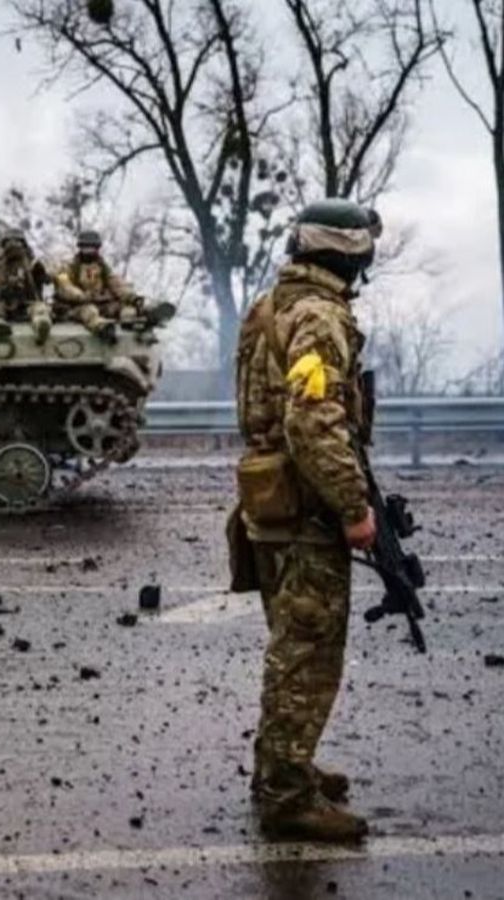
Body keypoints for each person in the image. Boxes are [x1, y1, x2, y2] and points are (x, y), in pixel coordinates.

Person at [231, 198, 382, 843]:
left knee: (292, 642)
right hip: (306, 509)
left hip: (271, 501)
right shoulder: (320, 317)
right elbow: (313, 420)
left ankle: (286, 766)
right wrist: (353, 507)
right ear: (349, 254)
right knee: (308, 652)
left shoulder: (271, 305)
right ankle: (287, 797)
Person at [52, 230, 145, 341]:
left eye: (92, 248)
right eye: (86, 248)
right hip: (77, 306)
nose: (89, 252)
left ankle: (130, 321)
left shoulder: (102, 267)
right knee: (89, 312)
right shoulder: (69, 267)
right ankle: (103, 328)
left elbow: (115, 282)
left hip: (100, 303)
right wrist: (81, 296)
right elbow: (64, 285)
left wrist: (131, 296)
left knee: (123, 307)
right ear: (80, 248)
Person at [0, 228, 52, 344]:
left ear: (24, 245)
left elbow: (52, 275)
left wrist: (43, 275)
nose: (13, 246)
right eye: (9, 242)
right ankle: (0, 325)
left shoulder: (33, 263)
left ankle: (41, 327)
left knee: (40, 310)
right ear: (4, 245)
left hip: (28, 302)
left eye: (17, 242)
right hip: (6, 301)